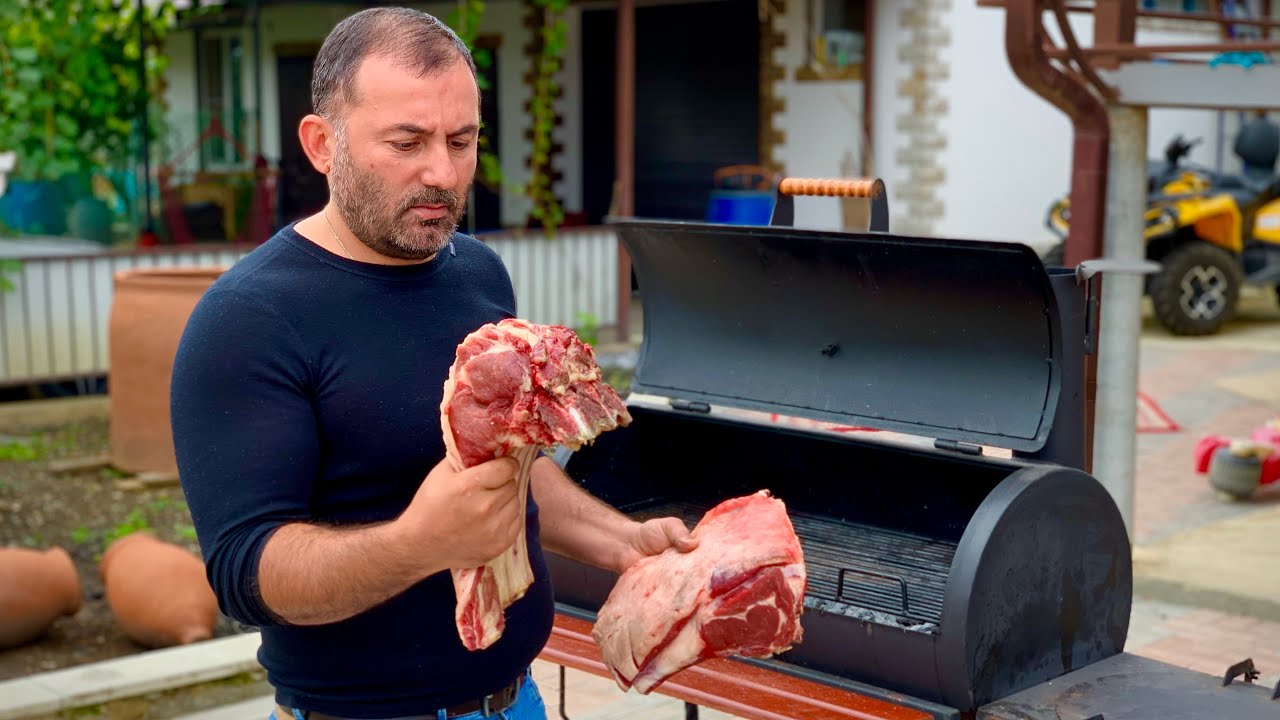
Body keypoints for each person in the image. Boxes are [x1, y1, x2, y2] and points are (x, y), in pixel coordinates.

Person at [169, 7, 697, 720]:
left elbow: (511, 466)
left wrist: (623, 540)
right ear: (322, 144)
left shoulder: (478, 275)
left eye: (462, 139)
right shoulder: (248, 320)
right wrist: (419, 543)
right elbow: (244, 572)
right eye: (408, 141)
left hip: (518, 702)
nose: (443, 173)